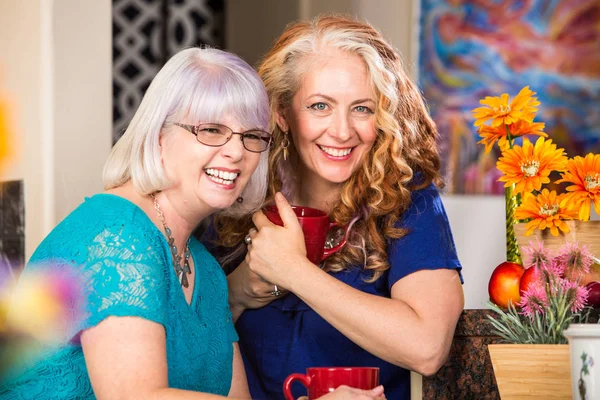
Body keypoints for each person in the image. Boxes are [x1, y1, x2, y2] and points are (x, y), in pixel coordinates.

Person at [210, 15, 464, 400]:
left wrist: (293, 271)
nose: (342, 131)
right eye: (319, 106)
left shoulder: (407, 198)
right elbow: (184, 344)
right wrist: (239, 290)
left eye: (362, 108)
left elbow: (428, 348)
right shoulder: (236, 191)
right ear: (282, 112)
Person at [0, 47, 273, 399]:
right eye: (211, 129)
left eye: (251, 136)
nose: (236, 152)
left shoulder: (205, 269)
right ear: (159, 135)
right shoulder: (117, 235)